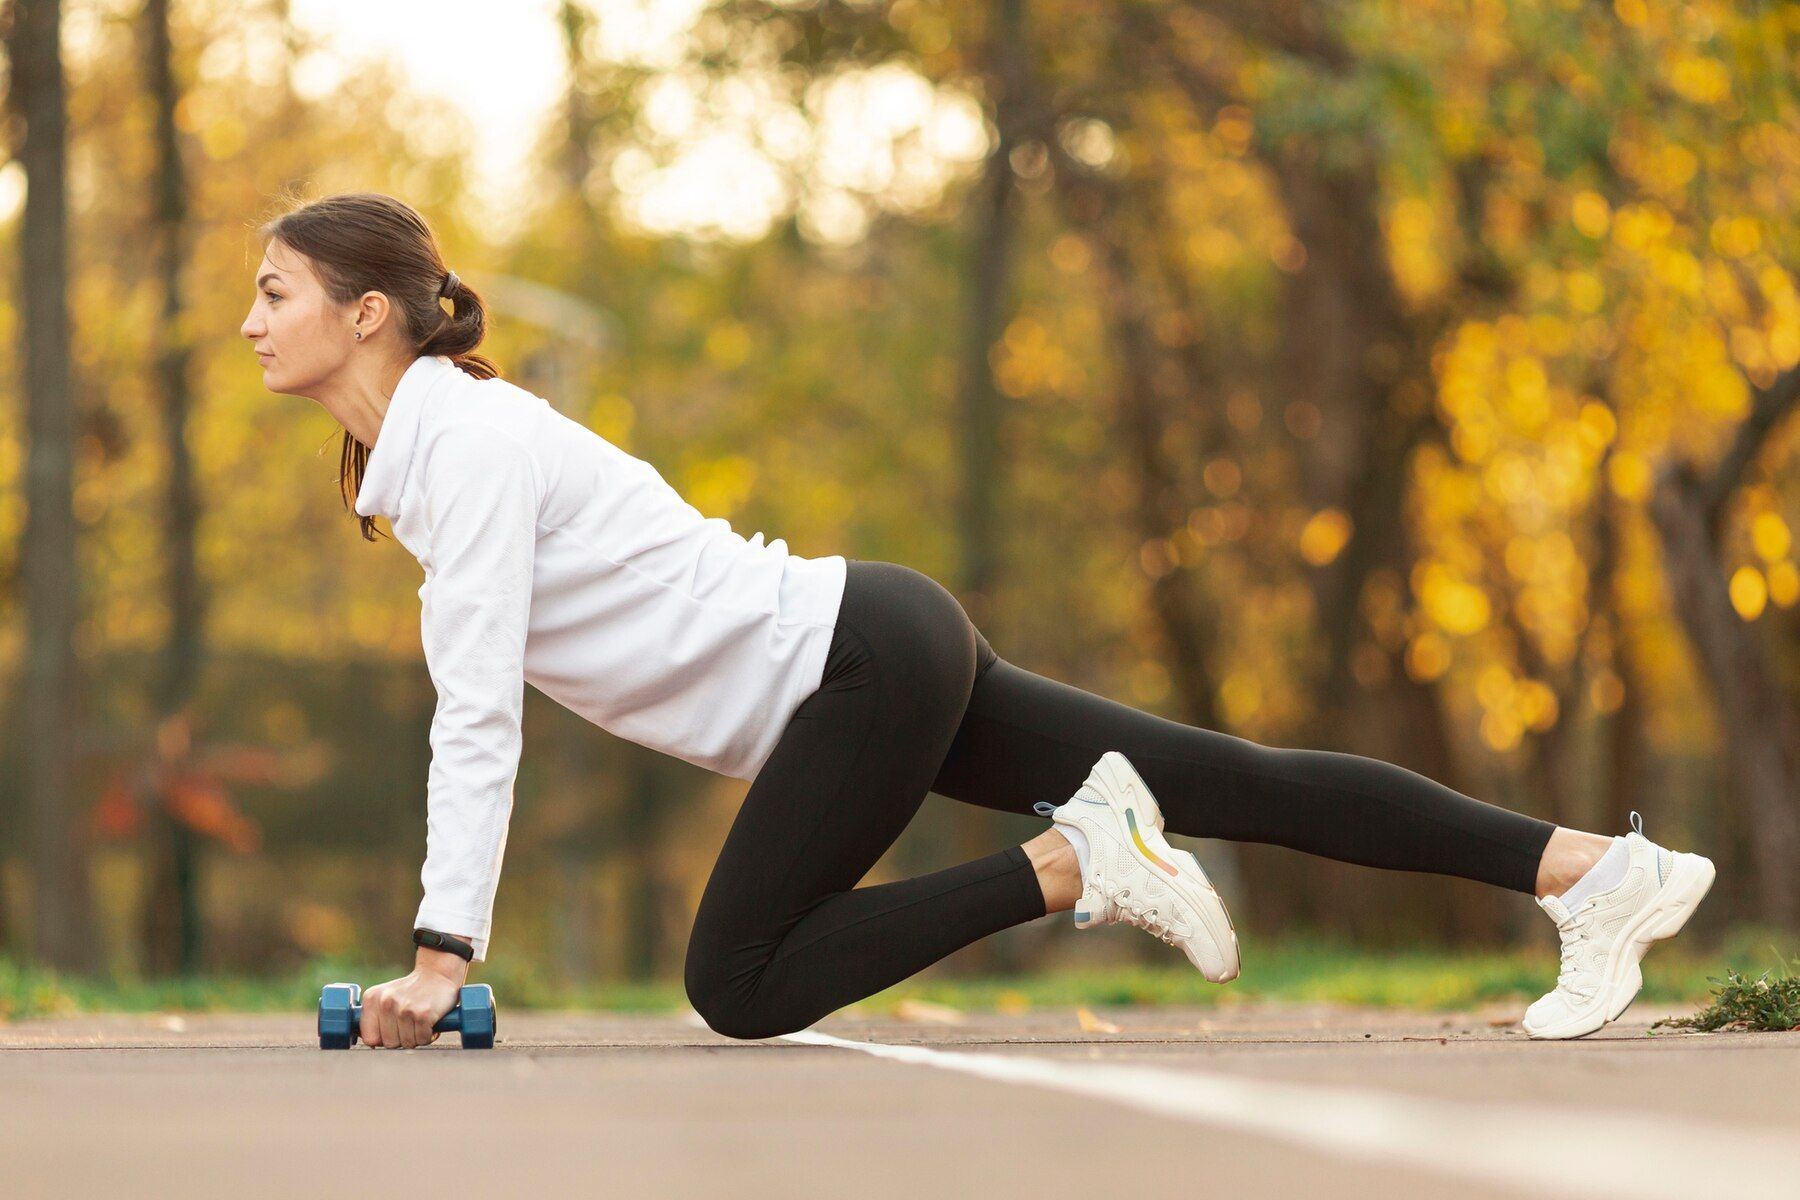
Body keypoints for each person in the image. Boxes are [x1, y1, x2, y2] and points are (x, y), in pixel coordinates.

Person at [240, 192, 1716, 1049]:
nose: (251, 322)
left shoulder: (467, 447)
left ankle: (1076, 863)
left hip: (854, 668)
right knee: (1232, 778)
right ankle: (1598, 872)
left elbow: (478, 716)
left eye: (274, 292)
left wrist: (441, 957)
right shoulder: (430, 459)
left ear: (366, 312)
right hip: (873, 648)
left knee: (738, 982)